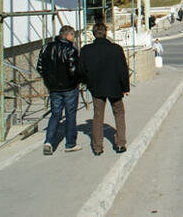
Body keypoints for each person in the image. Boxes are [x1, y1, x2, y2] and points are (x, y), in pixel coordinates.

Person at [80, 23, 130, 156]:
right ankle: (120, 144)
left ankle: (97, 147)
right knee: (119, 114)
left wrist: (88, 83)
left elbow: (81, 71)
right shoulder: (116, 49)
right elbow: (123, 70)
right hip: (115, 87)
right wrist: (126, 87)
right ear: (106, 33)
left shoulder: (86, 50)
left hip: (96, 88)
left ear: (93, 34)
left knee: (97, 116)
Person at [36, 25, 82, 155]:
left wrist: (49, 80)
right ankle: (70, 143)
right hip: (69, 88)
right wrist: (77, 80)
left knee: (55, 114)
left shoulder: (46, 47)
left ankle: (49, 141)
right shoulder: (70, 49)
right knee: (70, 115)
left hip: (53, 88)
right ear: (68, 35)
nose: (73, 38)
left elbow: (39, 67)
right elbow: (73, 70)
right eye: (72, 35)